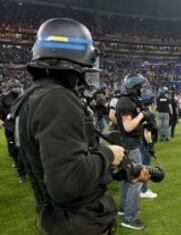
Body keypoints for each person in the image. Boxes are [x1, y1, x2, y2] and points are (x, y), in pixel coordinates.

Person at [10, 18, 150, 235]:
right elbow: (68, 183)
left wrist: (119, 172)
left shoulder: (37, 95)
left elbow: (67, 164)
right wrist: (109, 155)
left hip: (62, 220)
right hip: (79, 222)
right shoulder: (57, 99)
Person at [116, 73, 153, 230]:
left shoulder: (128, 100)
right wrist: (141, 116)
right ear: (134, 87)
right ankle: (130, 218)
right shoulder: (125, 102)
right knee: (136, 182)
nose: (142, 89)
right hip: (130, 146)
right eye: (140, 87)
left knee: (126, 178)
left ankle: (123, 208)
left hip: (129, 144)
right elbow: (128, 127)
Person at [0, 79, 27, 183]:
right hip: (9, 125)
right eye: (15, 86)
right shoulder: (4, 98)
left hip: (21, 124)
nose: (17, 88)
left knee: (20, 146)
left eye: (18, 86)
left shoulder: (24, 97)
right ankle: (15, 160)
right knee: (11, 143)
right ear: (10, 87)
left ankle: (21, 166)